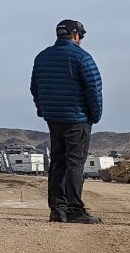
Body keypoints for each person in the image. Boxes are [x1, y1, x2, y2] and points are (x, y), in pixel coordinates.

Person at [30, 19, 103, 224]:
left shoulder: (42, 57)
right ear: (76, 36)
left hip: (54, 119)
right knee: (75, 164)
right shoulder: (82, 57)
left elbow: (35, 87)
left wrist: (42, 109)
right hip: (77, 119)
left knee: (58, 163)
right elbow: (94, 89)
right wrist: (95, 116)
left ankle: (57, 209)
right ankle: (74, 210)